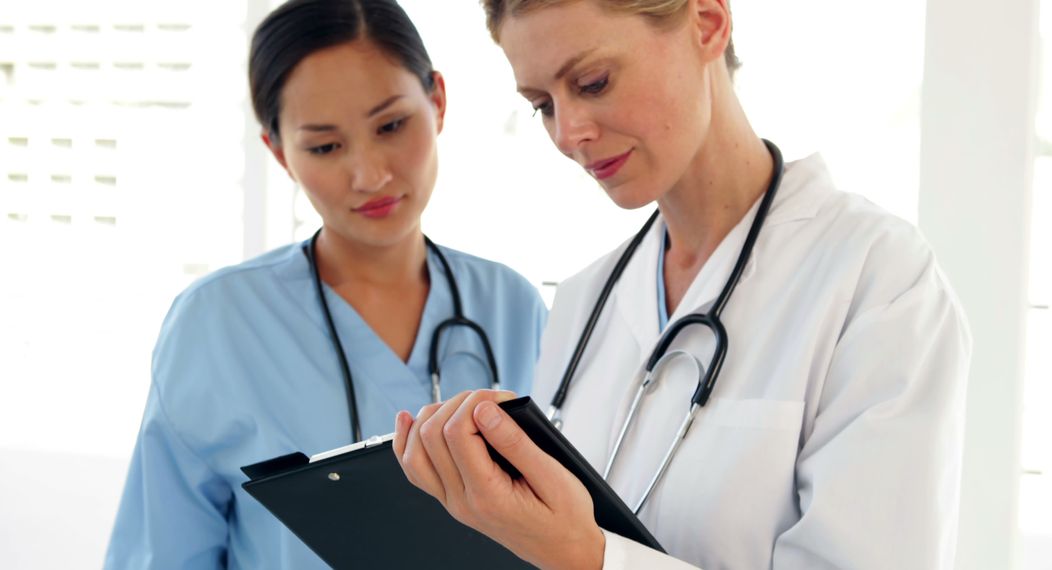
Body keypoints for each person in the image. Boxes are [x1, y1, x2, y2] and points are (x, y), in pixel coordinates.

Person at [393, 0, 971, 568]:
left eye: (592, 82)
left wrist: (586, 557)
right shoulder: (584, 301)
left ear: (708, 24)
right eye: (543, 105)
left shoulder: (877, 281)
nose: (569, 133)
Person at [104, 0, 548, 567]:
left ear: (437, 100)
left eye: (391, 125)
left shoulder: (512, 306)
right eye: (324, 146)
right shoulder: (215, 323)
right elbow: (163, 555)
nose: (370, 174)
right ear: (279, 152)